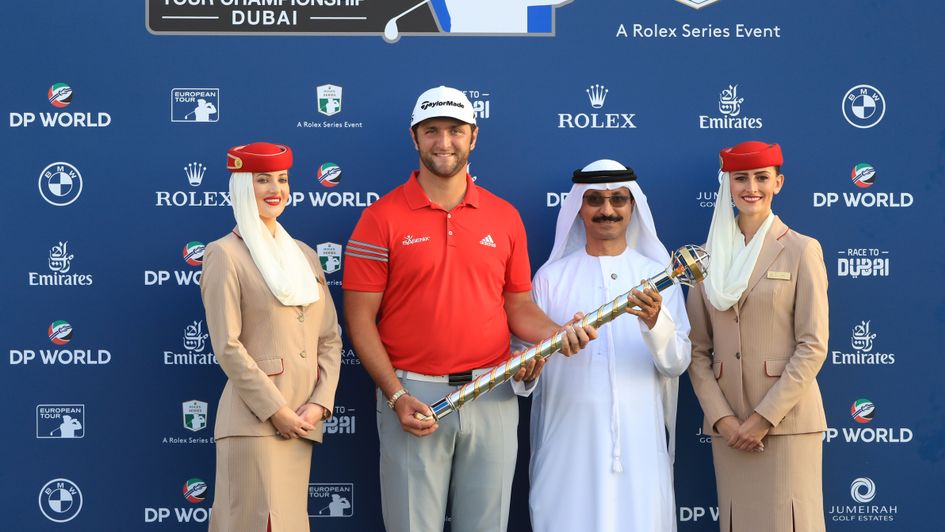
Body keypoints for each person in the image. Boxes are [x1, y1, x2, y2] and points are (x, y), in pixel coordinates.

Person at [342, 86, 597, 532]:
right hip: (412, 394)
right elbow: (360, 320)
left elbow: (518, 308)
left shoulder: (504, 216)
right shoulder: (380, 218)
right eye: (432, 131)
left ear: (473, 137)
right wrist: (396, 395)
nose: (444, 142)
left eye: (455, 131)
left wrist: (557, 332)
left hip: (492, 392)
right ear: (414, 138)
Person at [526, 160, 691, 531]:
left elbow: (677, 362)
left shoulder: (658, 276)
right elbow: (523, 366)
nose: (607, 210)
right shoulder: (550, 278)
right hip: (568, 445)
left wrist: (654, 322)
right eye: (595, 200)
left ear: (633, 207)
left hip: (640, 446)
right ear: (578, 209)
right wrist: (530, 368)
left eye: (618, 199)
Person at [687, 141, 829, 532]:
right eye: (741, 178)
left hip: (787, 423)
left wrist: (763, 419)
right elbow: (697, 352)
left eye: (761, 178)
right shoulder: (706, 258)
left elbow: (812, 345)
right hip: (729, 429)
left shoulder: (802, 250)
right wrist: (724, 419)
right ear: (727, 185)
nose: (752, 187)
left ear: (778, 183)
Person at [201, 142, 342, 532]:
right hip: (255, 422)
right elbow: (227, 346)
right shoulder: (224, 254)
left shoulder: (305, 255)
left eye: (281, 178)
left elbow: (329, 339)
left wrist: (320, 404)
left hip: (302, 423)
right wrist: (275, 411)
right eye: (261, 179)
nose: (274, 188)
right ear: (242, 187)